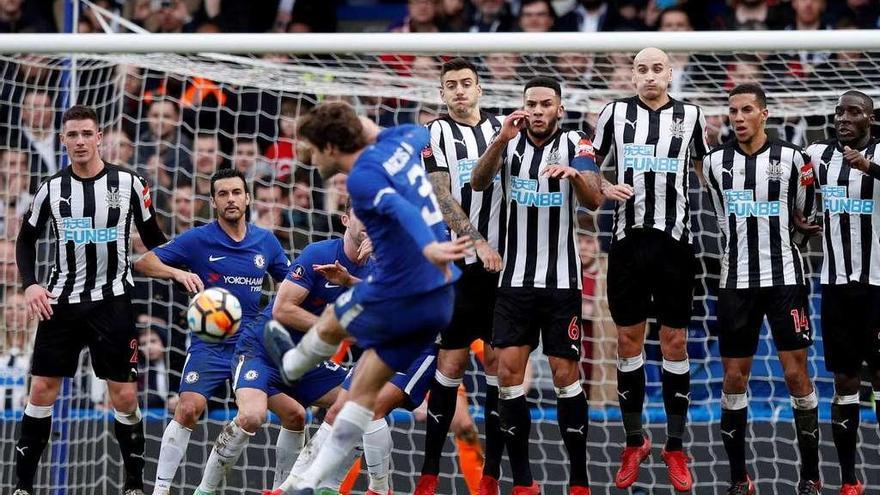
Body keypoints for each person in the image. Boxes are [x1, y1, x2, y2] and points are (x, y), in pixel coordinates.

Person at [262, 101, 470, 494]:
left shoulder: (362, 178)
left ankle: (293, 364)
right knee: (359, 399)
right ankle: (309, 483)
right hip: (438, 299)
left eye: (310, 146)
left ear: (330, 147)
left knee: (335, 318)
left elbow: (398, 207)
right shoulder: (404, 139)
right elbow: (420, 132)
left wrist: (426, 246)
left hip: (400, 288)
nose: (307, 155)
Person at [13, 104, 168, 495]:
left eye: (86, 134)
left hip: (112, 301)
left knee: (126, 395)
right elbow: (25, 240)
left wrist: (181, 267)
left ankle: (133, 485)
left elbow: (155, 240)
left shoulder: (131, 184)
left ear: (99, 137)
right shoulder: (51, 188)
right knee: (41, 391)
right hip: (61, 302)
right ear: (63, 140)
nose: (80, 142)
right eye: (72, 135)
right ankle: (23, 486)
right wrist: (31, 284)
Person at [133, 167, 305, 495]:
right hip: (209, 344)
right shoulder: (199, 239)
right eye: (223, 194)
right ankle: (161, 490)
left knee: (295, 414)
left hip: (252, 346)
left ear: (247, 197)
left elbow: (288, 284)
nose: (231, 199)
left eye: (236, 193)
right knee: (187, 409)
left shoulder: (265, 241)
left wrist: (273, 315)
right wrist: (176, 274)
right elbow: (143, 262)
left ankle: (281, 489)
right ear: (213, 201)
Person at [470, 76, 603, 495]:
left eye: (547, 104)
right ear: (523, 107)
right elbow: (477, 182)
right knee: (508, 375)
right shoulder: (506, 141)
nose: (539, 110)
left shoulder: (577, 142)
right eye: (533, 103)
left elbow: (595, 199)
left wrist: (574, 177)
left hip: (561, 284)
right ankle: (524, 480)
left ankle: (579, 480)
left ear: (560, 109)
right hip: (514, 281)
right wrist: (498, 141)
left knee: (567, 375)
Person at [590, 47, 710, 491]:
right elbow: (589, 166)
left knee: (675, 341)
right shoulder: (614, 114)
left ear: (670, 73)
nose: (649, 76)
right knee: (628, 340)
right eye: (641, 70)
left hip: (676, 244)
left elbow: (705, 170)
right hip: (626, 243)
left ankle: (675, 445)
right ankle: (634, 440)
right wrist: (603, 184)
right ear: (632, 75)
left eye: (657, 69)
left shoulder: (692, 116)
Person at [703, 83, 821, 495]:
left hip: (786, 280)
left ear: (764, 114)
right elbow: (721, 220)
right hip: (736, 282)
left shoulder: (793, 158)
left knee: (795, 374)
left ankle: (810, 476)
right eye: (732, 111)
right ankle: (739, 479)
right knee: (734, 379)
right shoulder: (715, 164)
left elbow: (805, 217)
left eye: (746, 110)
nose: (737, 117)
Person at [269, 200, 434, 495]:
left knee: (369, 408)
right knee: (337, 412)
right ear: (346, 219)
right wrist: (350, 280)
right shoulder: (320, 254)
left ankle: (380, 489)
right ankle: (295, 485)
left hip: (417, 345)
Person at [413, 57, 505, 495]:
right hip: (464, 266)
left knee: (500, 367)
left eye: (467, 83)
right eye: (451, 85)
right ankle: (429, 472)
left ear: (480, 89)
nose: (460, 91)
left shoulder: (505, 128)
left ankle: (493, 475)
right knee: (450, 364)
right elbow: (440, 195)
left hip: (505, 268)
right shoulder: (435, 133)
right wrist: (477, 240)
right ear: (442, 93)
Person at [806, 90, 880, 495]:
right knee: (845, 380)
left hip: (878, 285)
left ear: (870, 118)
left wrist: (868, 165)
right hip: (835, 286)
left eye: (854, 112)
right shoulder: (819, 155)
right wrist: (802, 216)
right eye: (839, 113)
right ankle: (849, 479)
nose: (843, 119)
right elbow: (787, 177)